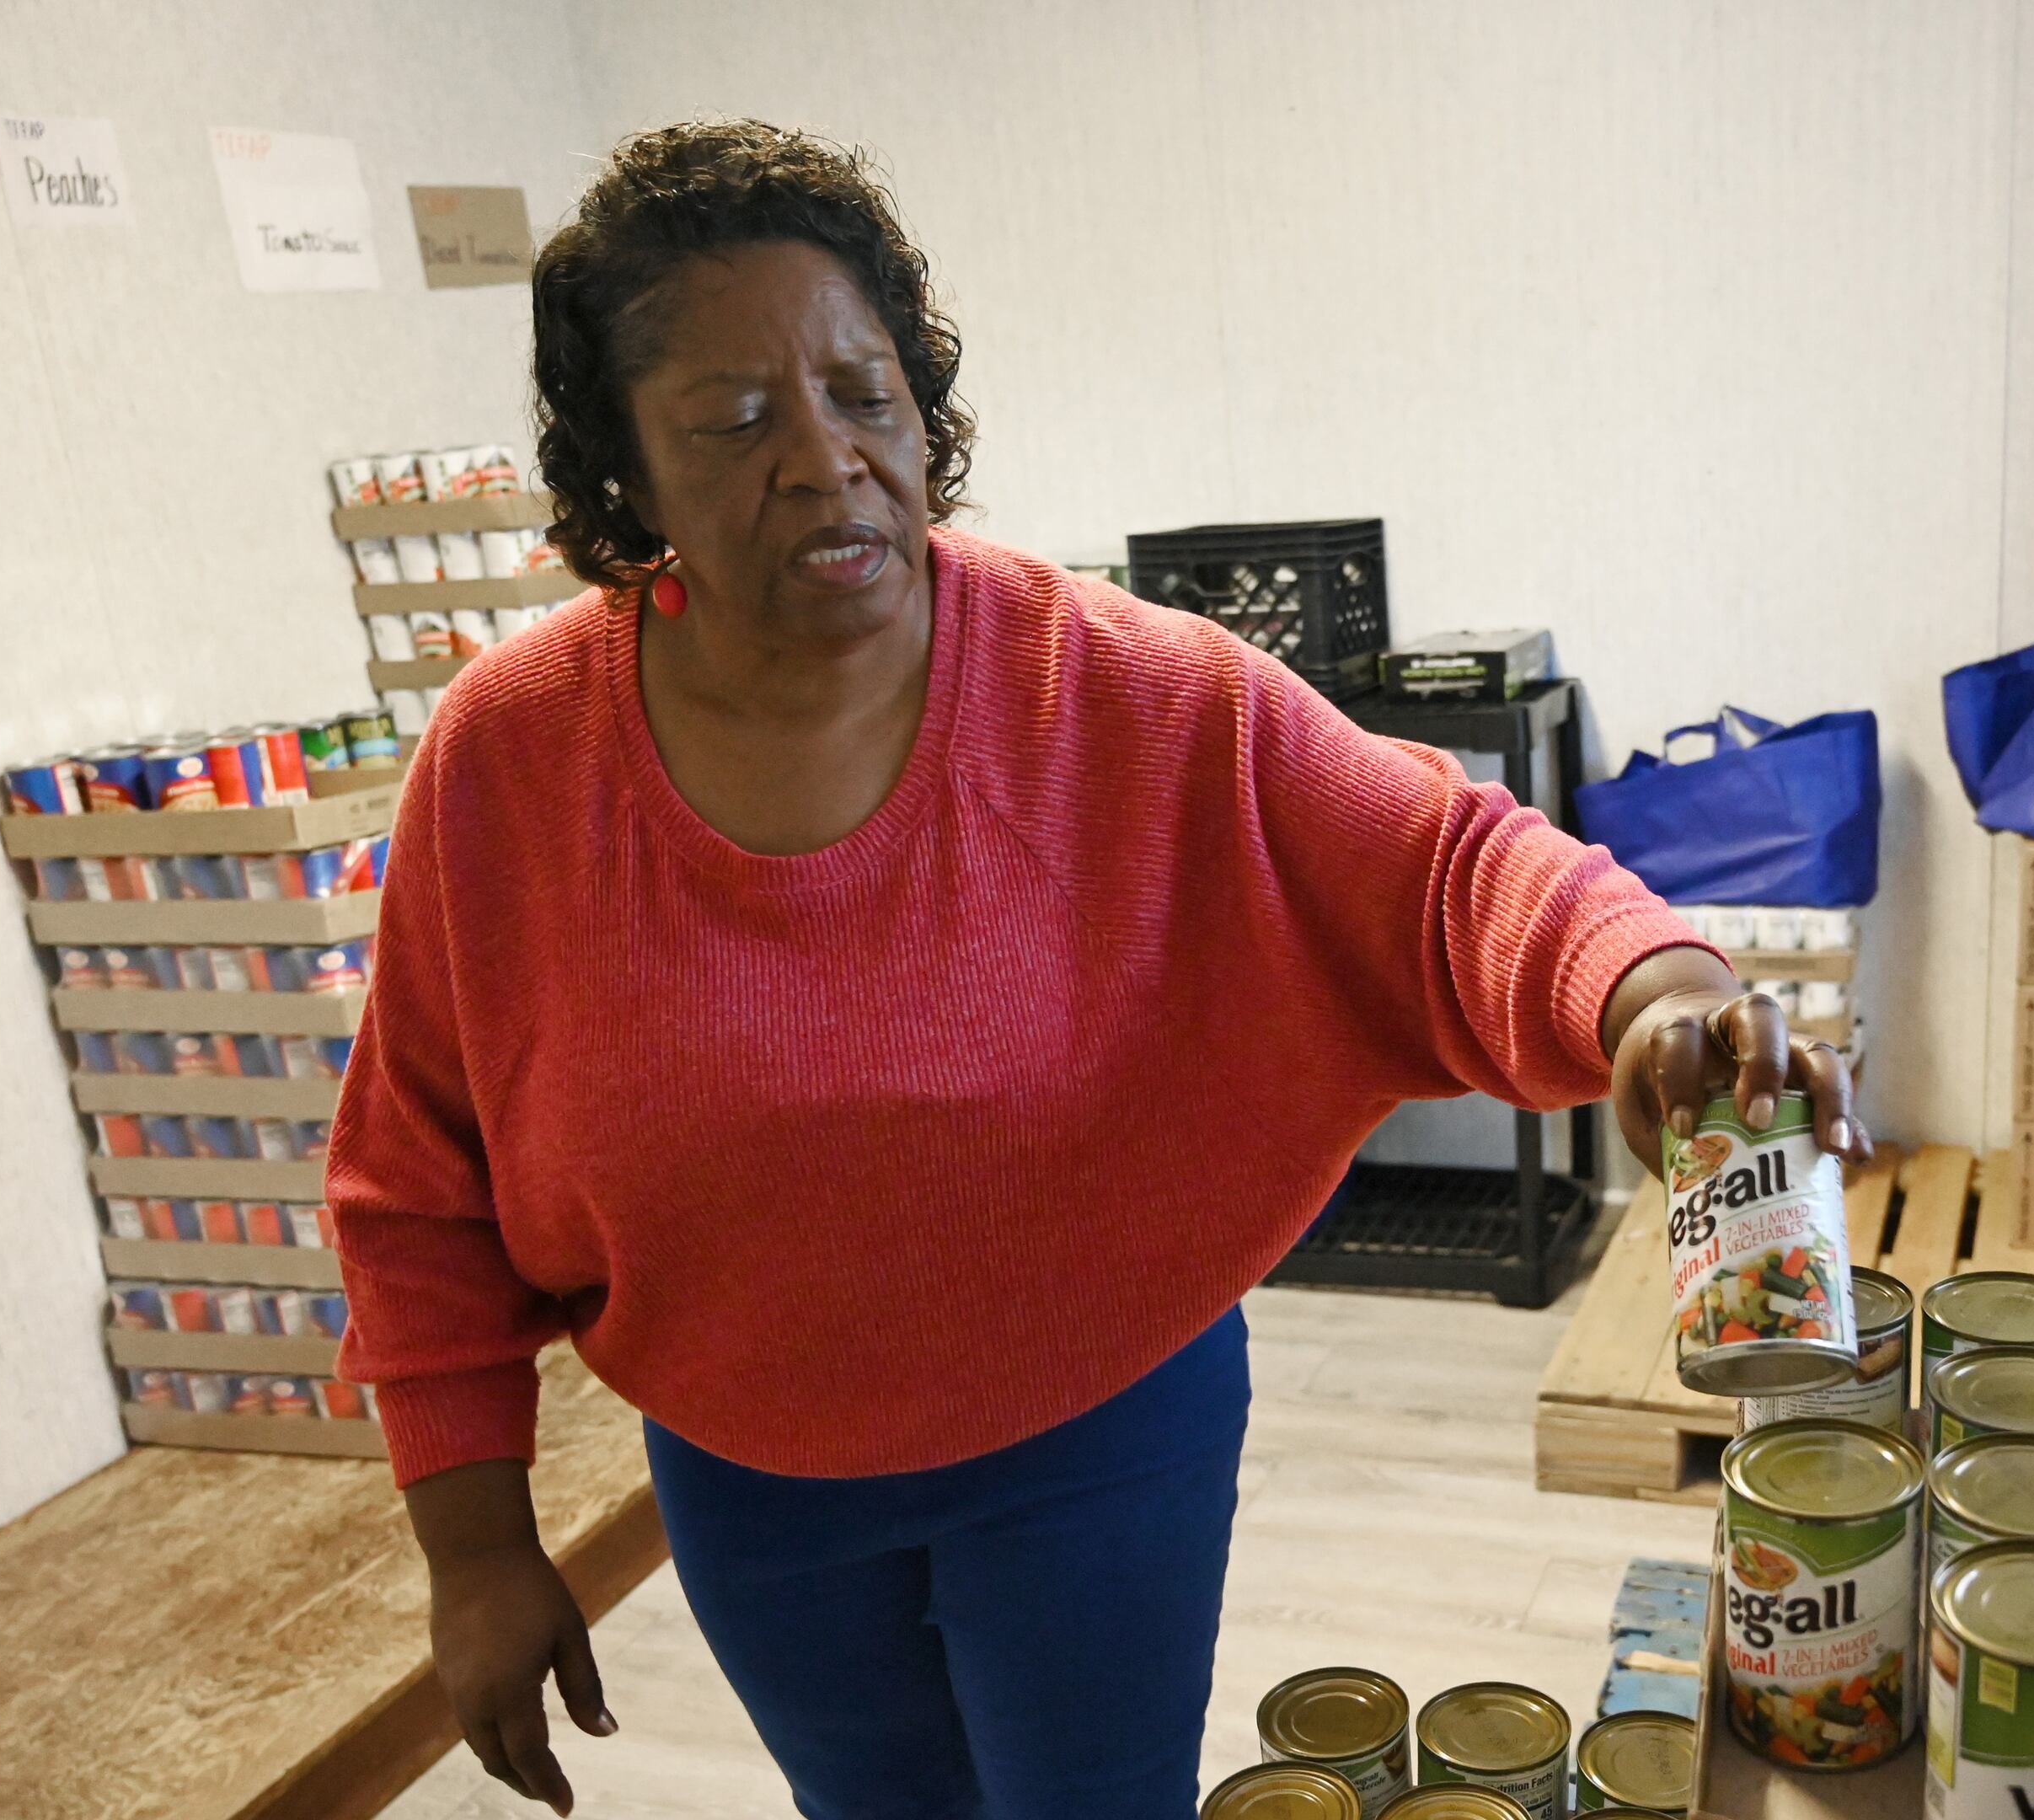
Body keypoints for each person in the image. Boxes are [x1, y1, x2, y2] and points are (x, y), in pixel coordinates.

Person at [328, 118, 1865, 1820]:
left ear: (926, 414)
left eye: (866, 395)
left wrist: (1651, 993)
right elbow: (414, 1174)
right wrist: (474, 1549)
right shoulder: (513, 762)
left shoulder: (1120, 692)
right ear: (625, 476)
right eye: (734, 420)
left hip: (1098, 1435)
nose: (825, 459)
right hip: (752, 1477)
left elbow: (1453, 868)